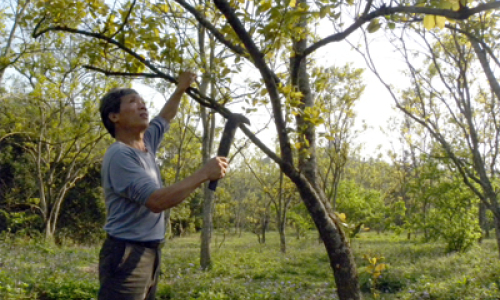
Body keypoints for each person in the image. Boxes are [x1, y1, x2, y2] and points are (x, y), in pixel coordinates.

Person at [98, 71, 228, 300]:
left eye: (143, 102)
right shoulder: (120, 154)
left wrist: (181, 88)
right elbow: (157, 201)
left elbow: (165, 116)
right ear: (114, 117)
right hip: (126, 253)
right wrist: (204, 173)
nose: (142, 106)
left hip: (150, 252)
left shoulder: (146, 142)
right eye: (133, 102)